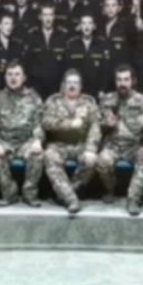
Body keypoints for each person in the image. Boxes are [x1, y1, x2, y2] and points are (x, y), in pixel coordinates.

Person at [97, 65, 143, 216]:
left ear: (133, 81)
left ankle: (134, 199)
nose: (122, 83)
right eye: (119, 80)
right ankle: (110, 190)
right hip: (113, 145)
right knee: (103, 160)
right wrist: (106, 124)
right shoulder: (107, 100)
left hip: (134, 145)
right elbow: (96, 123)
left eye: (126, 79)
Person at [41, 69, 101, 215]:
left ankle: (66, 193)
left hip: (81, 144)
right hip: (58, 144)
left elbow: (96, 127)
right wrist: (69, 124)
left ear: (81, 86)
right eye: (69, 83)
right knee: (49, 156)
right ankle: (71, 200)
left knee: (92, 159)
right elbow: (46, 123)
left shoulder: (89, 103)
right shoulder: (53, 101)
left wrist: (91, 148)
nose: (72, 86)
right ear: (63, 85)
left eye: (76, 83)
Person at [0, 61, 43, 207]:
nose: (13, 78)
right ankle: (10, 193)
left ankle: (29, 194)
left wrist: (37, 140)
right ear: (5, 77)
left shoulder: (34, 98)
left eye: (17, 74)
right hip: (5, 141)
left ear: (24, 77)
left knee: (38, 154)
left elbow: (39, 123)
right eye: (9, 74)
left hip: (26, 142)